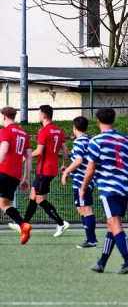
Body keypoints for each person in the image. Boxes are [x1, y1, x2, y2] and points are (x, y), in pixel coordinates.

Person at [82, 107, 128, 274]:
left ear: (98, 121)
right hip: (124, 188)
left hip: (109, 189)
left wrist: (83, 188)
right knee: (112, 225)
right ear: (114, 120)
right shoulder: (125, 140)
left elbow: (90, 169)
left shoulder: (96, 142)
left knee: (115, 224)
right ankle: (102, 262)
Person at [9, 105, 70, 237]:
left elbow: (39, 151)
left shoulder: (43, 131)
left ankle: (61, 223)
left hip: (44, 170)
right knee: (33, 196)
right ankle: (23, 225)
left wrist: (24, 157)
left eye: (38, 114)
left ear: (43, 115)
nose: (38, 116)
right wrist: (64, 164)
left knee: (39, 199)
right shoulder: (58, 131)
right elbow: (65, 150)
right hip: (51, 168)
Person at [61, 116, 98, 248]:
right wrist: (69, 167)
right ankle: (91, 238)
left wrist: (66, 172)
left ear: (74, 127)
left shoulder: (79, 142)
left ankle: (91, 240)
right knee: (80, 208)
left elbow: (79, 161)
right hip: (85, 179)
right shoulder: (89, 140)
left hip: (83, 180)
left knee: (85, 209)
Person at [0, 106, 33, 245]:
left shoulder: (5, 131)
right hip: (15, 175)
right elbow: (29, 157)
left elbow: (4, 150)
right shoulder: (23, 133)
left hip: (3, 171)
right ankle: (23, 224)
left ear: (4, 117)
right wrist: (26, 178)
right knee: (4, 204)